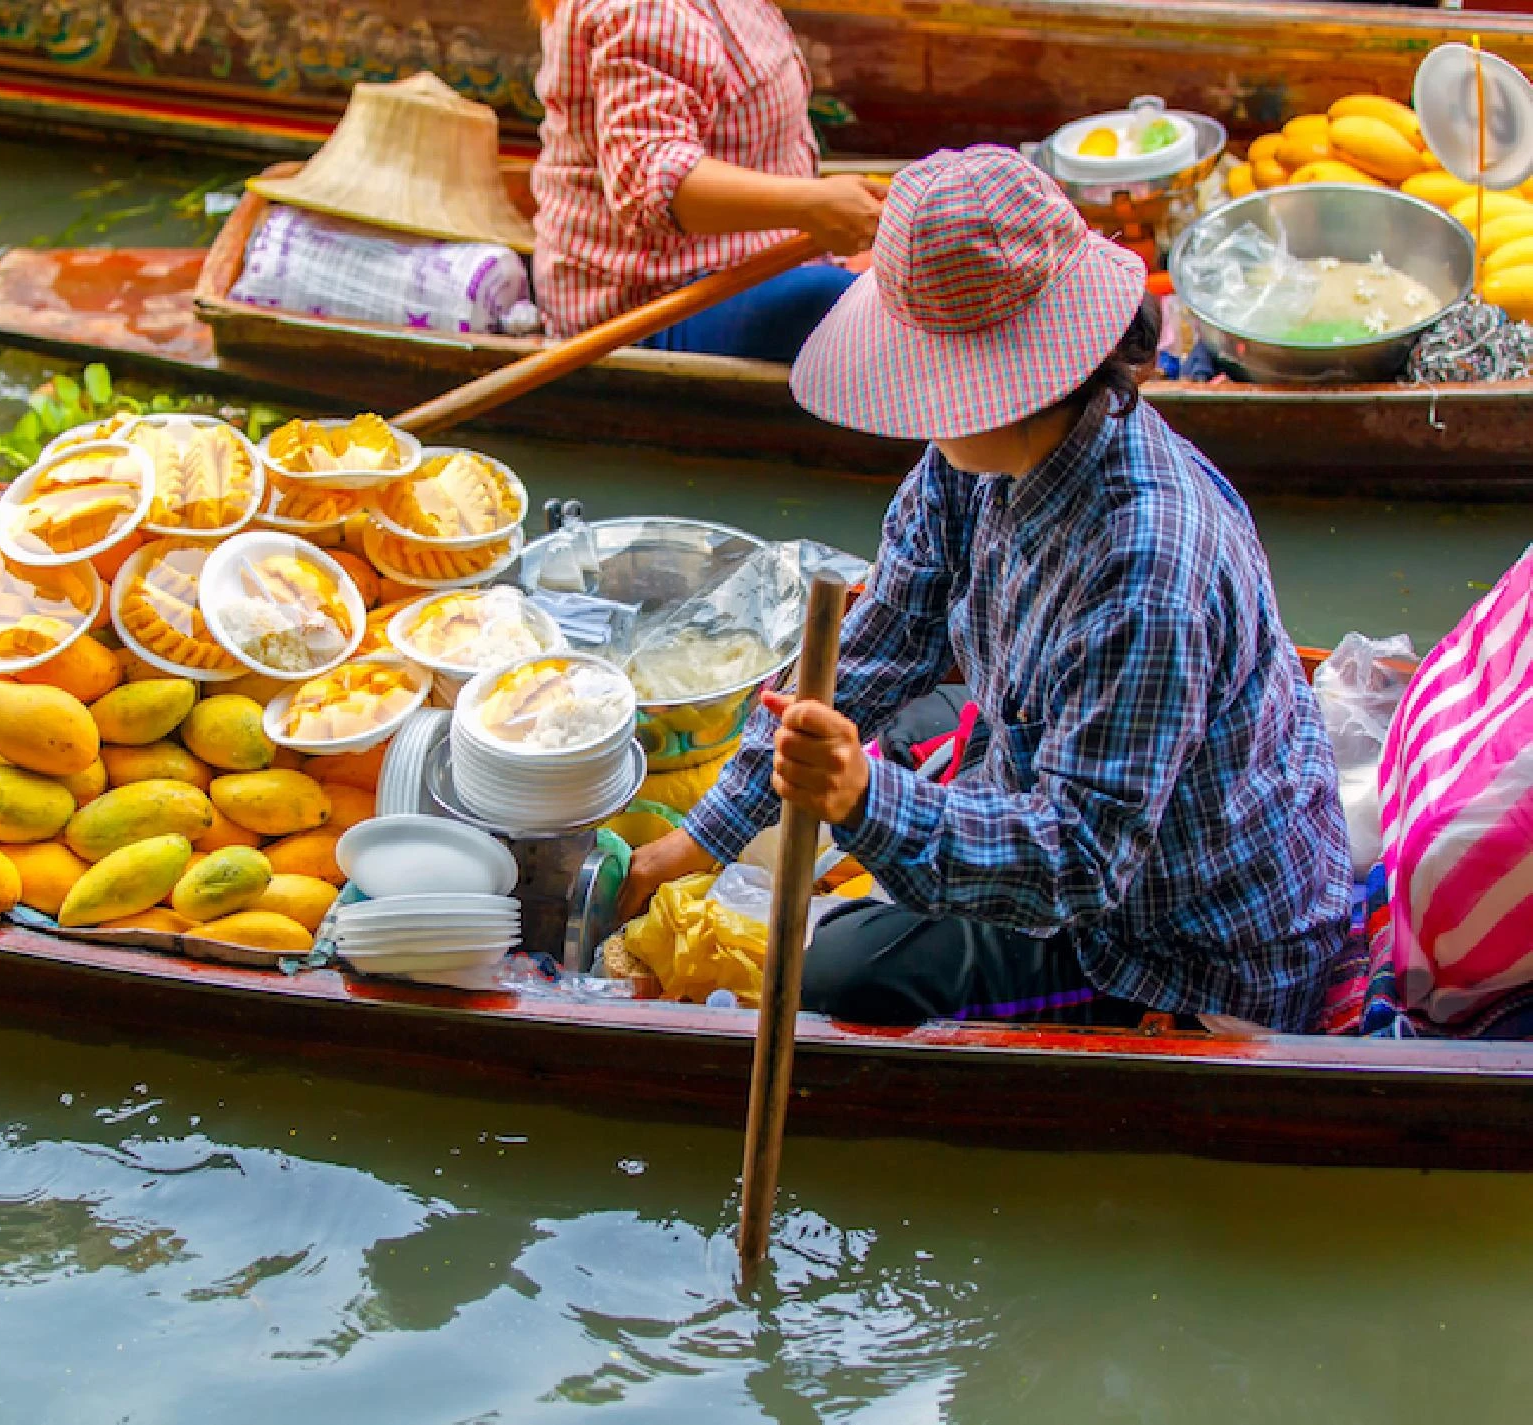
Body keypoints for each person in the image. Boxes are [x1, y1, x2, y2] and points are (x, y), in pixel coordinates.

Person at [618, 146, 1353, 1033]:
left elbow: (1077, 864)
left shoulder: (1147, 569)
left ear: (1004, 380)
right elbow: (883, 642)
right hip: (1070, 800)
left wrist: (859, 797)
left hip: (1169, 945)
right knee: (890, 719)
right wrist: (701, 836)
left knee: (840, 974)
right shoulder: (971, 460)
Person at [529, 0, 884, 360]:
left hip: (755, 268)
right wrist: (813, 205)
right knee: (839, 304)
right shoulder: (647, 7)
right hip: (653, 306)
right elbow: (651, 178)